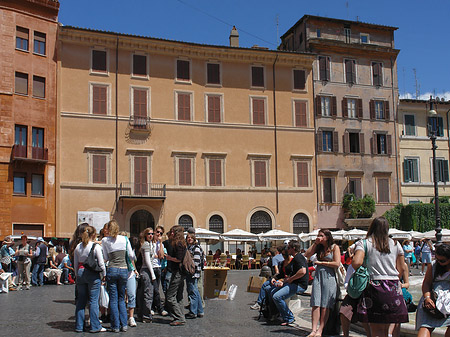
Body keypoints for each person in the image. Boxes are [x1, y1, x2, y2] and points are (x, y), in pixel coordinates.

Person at [352, 216, 408, 337]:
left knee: (376, 329)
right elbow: (402, 267)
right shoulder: (395, 243)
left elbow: (356, 262)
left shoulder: (364, 243)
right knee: (386, 328)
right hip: (393, 287)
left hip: (374, 286)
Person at [305, 229, 341, 337]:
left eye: (321, 235)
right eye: (318, 235)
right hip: (318, 276)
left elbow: (337, 263)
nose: (319, 237)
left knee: (325, 304)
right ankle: (313, 329)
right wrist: (315, 243)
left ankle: (320, 329)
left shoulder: (334, 247)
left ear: (327, 237)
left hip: (329, 277)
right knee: (315, 302)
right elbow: (307, 254)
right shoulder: (319, 247)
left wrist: (321, 262)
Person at [102, 220, 135, 332]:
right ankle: (124, 324)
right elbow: (131, 255)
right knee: (122, 298)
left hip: (112, 269)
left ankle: (115, 325)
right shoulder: (124, 239)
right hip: (124, 269)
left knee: (113, 298)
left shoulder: (105, 240)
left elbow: (105, 257)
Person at [267, 240, 309, 326]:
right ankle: (275, 313)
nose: (287, 249)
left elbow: (303, 271)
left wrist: (291, 279)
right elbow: (284, 273)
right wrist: (275, 278)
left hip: (299, 285)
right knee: (271, 291)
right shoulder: (294, 259)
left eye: (288, 248)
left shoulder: (298, 257)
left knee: (277, 296)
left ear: (293, 248)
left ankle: (289, 317)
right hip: (292, 283)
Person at [73, 225, 106, 333]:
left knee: (81, 301)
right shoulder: (95, 246)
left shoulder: (78, 246)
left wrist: (77, 275)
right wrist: (104, 274)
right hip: (92, 274)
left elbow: (75, 263)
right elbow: (101, 263)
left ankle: (79, 325)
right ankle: (95, 326)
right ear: (93, 235)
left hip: (81, 272)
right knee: (93, 301)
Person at [416, 243, 450, 336]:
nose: (439, 262)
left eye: (442, 260)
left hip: (448, 300)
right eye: (437, 259)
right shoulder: (433, 265)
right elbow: (426, 283)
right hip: (433, 297)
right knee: (426, 325)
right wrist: (427, 298)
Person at [250, 245, 291, 311]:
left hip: (281, 279)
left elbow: (276, 270)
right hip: (285, 278)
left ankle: (259, 303)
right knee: (267, 288)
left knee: (264, 285)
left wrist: (274, 278)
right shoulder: (284, 258)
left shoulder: (275, 258)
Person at [165, 225, 187, 326]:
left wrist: (169, 258)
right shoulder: (181, 243)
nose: (171, 233)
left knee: (170, 296)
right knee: (179, 296)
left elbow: (179, 259)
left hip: (178, 272)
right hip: (180, 272)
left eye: (172, 232)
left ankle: (179, 317)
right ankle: (180, 314)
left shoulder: (178, 244)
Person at [118, 231, 138, 328]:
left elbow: (132, 259)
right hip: (120, 272)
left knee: (131, 295)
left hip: (130, 273)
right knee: (121, 296)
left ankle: (131, 317)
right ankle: (121, 316)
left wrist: (135, 270)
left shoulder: (129, 248)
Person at [137, 227, 156, 323]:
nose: (151, 235)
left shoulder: (148, 244)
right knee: (148, 294)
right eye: (149, 234)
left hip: (145, 270)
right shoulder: (146, 245)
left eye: (152, 234)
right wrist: (152, 274)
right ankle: (146, 315)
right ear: (145, 235)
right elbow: (148, 261)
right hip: (147, 270)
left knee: (144, 293)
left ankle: (142, 314)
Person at [185, 232, 204, 319]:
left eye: (191, 238)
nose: (189, 239)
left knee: (193, 292)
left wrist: (190, 269)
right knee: (195, 291)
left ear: (194, 239)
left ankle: (193, 312)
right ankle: (200, 311)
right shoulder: (190, 247)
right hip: (193, 272)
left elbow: (196, 262)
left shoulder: (196, 248)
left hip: (193, 273)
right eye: (188, 237)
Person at [152, 225, 168, 316]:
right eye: (157, 232)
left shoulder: (160, 244)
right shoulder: (150, 243)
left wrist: (161, 242)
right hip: (151, 268)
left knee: (156, 289)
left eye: (161, 233)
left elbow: (161, 256)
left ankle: (154, 307)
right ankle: (159, 308)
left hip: (158, 267)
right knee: (154, 290)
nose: (158, 234)